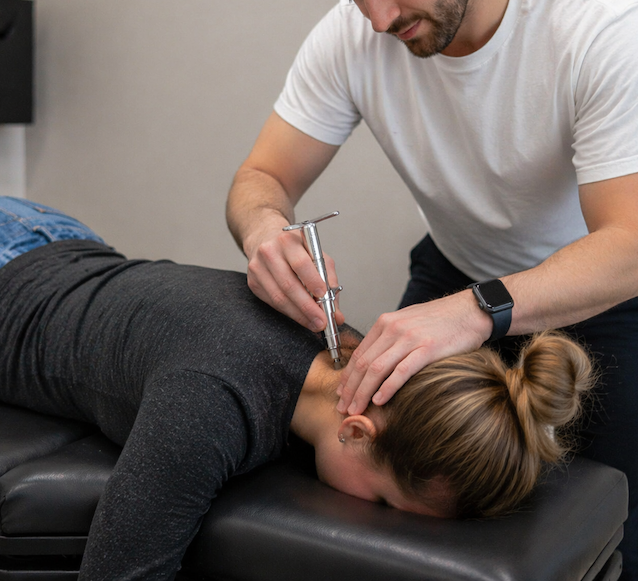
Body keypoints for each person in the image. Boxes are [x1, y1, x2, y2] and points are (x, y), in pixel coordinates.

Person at [225, 0, 638, 576]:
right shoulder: (352, 33)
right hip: (456, 273)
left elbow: (630, 244)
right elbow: (262, 177)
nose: (378, 19)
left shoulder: (599, 28)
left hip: (604, 291)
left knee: (608, 538)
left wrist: (476, 310)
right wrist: (264, 229)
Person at [0, 196, 594, 580]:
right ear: (356, 429)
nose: (379, 514)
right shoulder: (207, 407)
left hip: (51, 233)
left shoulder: (348, 345)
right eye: (385, 501)